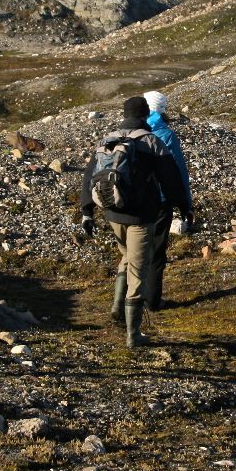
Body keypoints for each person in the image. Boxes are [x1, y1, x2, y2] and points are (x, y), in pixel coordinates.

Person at [81, 96, 191, 348]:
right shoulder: (152, 142)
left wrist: (87, 212)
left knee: (127, 257)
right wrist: (185, 208)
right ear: (145, 115)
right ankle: (134, 334)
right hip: (142, 218)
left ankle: (117, 309)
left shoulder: (107, 140)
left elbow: (89, 177)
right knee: (138, 270)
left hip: (112, 214)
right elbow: (172, 181)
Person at [140, 90, 192, 312]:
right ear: (162, 109)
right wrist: (185, 204)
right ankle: (152, 300)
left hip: (134, 199)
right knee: (156, 250)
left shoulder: (131, 131)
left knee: (134, 250)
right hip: (160, 200)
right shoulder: (166, 135)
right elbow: (178, 173)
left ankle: (129, 298)